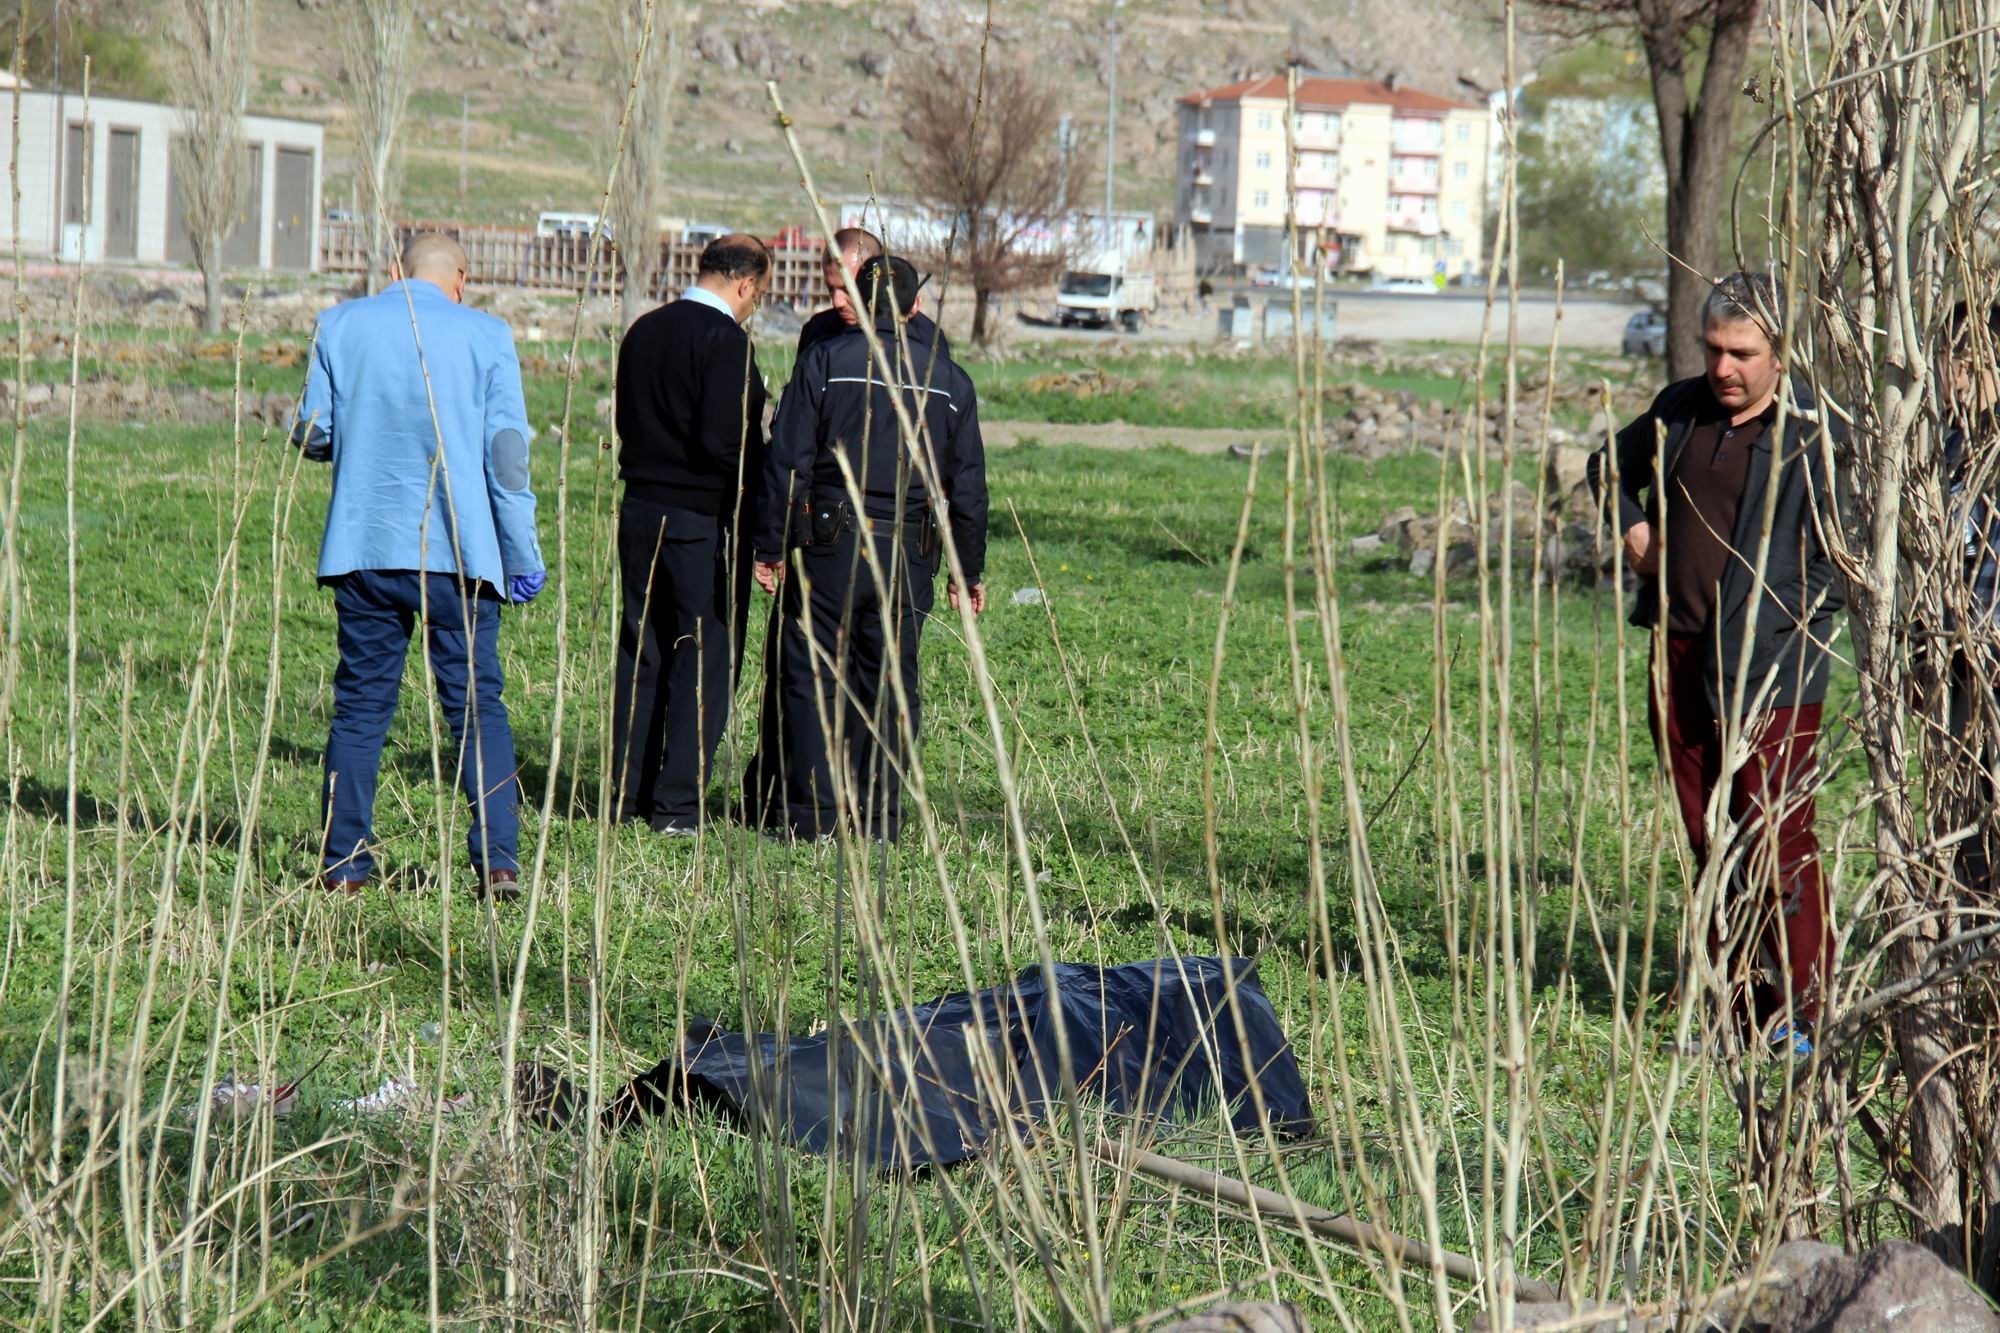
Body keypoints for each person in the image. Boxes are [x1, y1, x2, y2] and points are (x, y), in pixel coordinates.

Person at [1587, 270, 1844, 1054]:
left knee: (1774, 840)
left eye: (1742, 352)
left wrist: (1787, 623)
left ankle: (1801, 1014)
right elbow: (1608, 467)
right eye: (1713, 349)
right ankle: (1731, 1009)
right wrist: (1632, 526)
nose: (1723, 367)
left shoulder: (1814, 434)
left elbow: (1849, 557)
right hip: (1682, 651)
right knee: (1709, 835)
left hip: (1774, 670)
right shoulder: (1679, 408)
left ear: (1780, 354)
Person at [296, 232, 547, 898]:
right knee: (475, 709)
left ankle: (343, 865)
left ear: (393, 272)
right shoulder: (487, 335)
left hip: (364, 547)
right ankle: (498, 861)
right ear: (460, 277)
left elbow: (312, 430)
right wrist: (521, 554)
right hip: (459, 554)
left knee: (359, 710)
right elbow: (507, 457)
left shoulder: (339, 324)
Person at [751, 255, 988, 843]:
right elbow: (968, 490)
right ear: (915, 308)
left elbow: (787, 461)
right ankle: (879, 817)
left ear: (858, 301)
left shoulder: (825, 361)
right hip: (908, 557)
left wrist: (771, 544)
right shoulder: (951, 383)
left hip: (829, 548)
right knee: (891, 682)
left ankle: (812, 817)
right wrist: (966, 569)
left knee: (811, 677)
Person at [609, 233, 771, 835]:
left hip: (640, 510)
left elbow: (627, 419)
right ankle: (677, 805)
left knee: (641, 651)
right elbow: (718, 442)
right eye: (758, 294)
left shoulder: (644, 330)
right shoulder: (725, 341)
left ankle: (627, 793)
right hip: (699, 520)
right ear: (745, 284)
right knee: (702, 657)